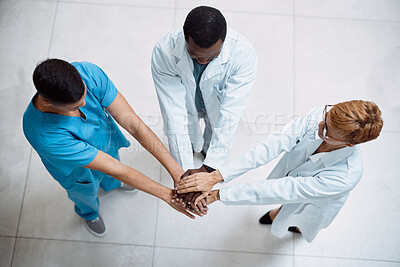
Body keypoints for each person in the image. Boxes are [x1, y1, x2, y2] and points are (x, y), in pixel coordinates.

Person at [23, 59, 204, 237]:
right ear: (47, 102)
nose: (85, 105)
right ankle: (89, 214)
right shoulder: (44, 135)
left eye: (85, 96)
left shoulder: (88, 73)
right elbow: (115, 168)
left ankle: (113, 185)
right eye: (75, 107)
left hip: (105, 144)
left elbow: (134, 125)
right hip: (77, 172)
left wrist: (176, 171)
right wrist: (168, 195)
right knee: (86, 194)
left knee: (112, 173)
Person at [176, 100, 383, 242]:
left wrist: (218, 195)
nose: (320, 124)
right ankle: (281, 212)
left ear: (348, 143)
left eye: (327, 130)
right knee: (287, 202)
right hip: (295, 180)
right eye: (326, 116)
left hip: (319, 198)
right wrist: (216, 176)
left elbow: (284, 189)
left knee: (303, 217)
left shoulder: (346, 176)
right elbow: (271, 146)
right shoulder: (322, 119)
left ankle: (293, 223)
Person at [151, 6, 257, 177]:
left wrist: (209, 167)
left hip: (217, 106)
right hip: (187, 105)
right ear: (184, 38)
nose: (202, 61)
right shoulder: (164, 52)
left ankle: (207, 153)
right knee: (187, 135)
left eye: (211, 57)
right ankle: (193, 149)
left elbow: (230, 114)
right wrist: (184, 173)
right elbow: (174, 116)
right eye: (194, 55)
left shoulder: (243, 54)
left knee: (215, 132)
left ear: (224, 40)